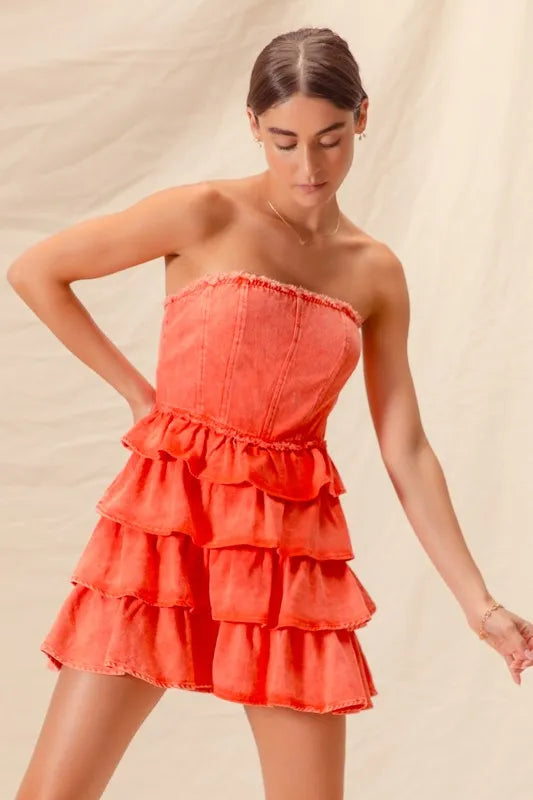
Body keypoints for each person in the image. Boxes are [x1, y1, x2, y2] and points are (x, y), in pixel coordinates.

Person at [7, 24, 533, 800]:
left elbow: (406, 445)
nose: (307, 167)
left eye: (327, 139)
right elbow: (37, 271)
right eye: (283, 141)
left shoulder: (375, 272)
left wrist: (477, 603)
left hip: (288, 545)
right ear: (253, 126)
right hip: (166, 522)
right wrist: (137, 393)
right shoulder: (204, 213)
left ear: (361, 116)